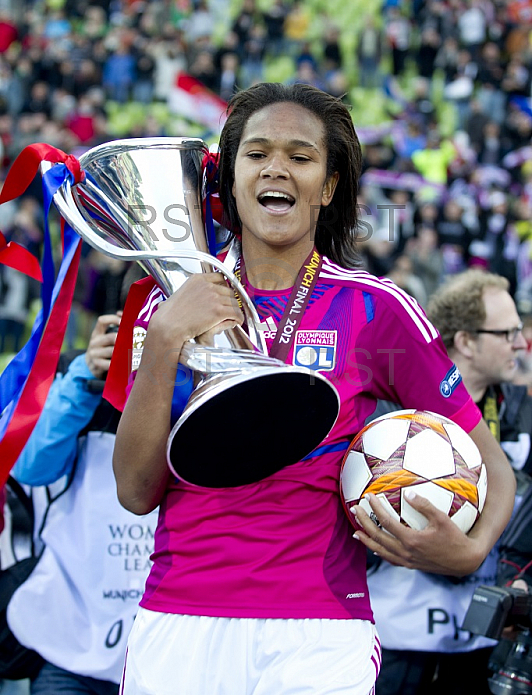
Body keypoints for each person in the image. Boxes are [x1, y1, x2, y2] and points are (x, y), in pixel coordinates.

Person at [113, 83, 515, 695]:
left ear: (327, 187)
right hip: (179, 617)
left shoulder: (375, 310)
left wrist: (469, 551)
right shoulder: (170, 308)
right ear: (230, 177)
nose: (277, 167)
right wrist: (168, 336)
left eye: (301, 157)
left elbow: (494, 465)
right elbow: (136, 491)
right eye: (257, 153)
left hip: (320, 630)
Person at [369, 269, 532, 695]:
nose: (521, 343)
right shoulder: (390, 416)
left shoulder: (523, 414)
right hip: (394, 644)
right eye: (507, 332)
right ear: (466, 342)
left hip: (484, 645)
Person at [6, 313, 159, 695]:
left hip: (160, 643)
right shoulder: (83, 381)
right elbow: (32, 466)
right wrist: (85, 375)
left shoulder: (200, 383)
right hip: (70, 640)